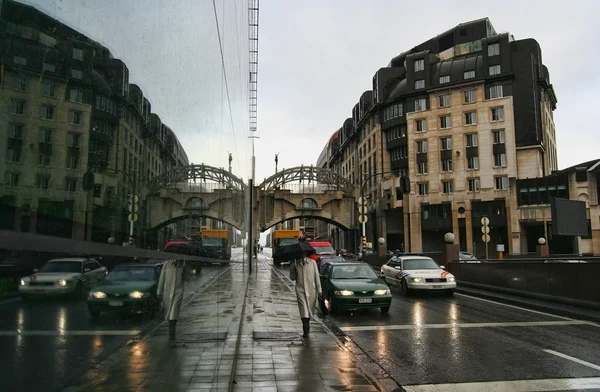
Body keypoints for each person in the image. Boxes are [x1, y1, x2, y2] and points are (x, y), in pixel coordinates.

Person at [290, 252, 322, 338]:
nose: (302, 255)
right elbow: (292, 278)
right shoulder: (296, 264)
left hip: (312, 290)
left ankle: (307, 325)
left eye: (303, 253)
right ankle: (305, 329)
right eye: (301, 254)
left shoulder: (312, 263)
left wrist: (319, 291)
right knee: (303, 309)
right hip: (300, 290)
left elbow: (317, 277)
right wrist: (292, 267)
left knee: (309, 310)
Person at [157, 259, 185, 340]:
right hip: (167, 292)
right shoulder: (167, 264)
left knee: (173, 314)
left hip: (177, 292)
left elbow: (186, 279)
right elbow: (162, 278)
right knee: (169, 315)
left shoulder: (182, 265)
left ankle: (172, 335)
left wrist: (185, 269)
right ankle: (171, 333)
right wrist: (159, 292)